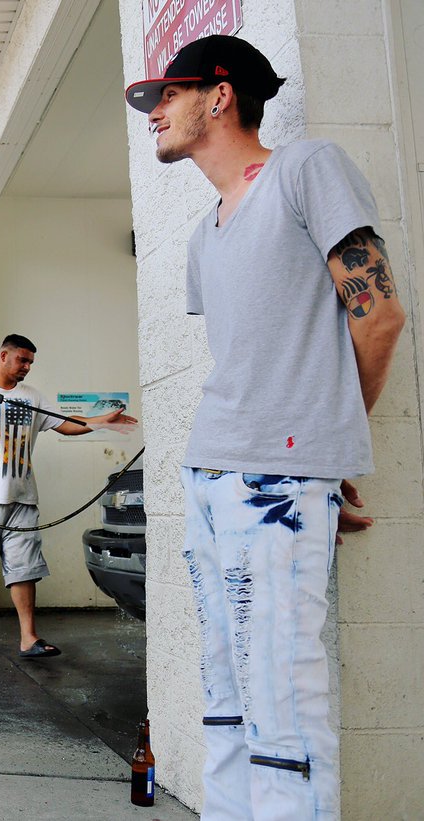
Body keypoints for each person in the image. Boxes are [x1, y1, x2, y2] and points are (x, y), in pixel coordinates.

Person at [124, 35, 405, 819]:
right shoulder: (203, 232)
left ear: (220, 96)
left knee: (285, 713)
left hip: (277, 481)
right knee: (225, 705)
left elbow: (378, 317)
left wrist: (325, 446)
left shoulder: (304, 170)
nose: (155, 114)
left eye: (166, 97)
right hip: (208, 473)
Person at [0, 335, 136, 659]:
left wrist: (101, 422)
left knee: (25, 568)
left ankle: (28, 637)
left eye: (30, 363)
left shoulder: (31, 396)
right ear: (4, 355)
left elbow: (67, 425)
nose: (26, 367)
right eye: (22, 360)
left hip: (22, 499)